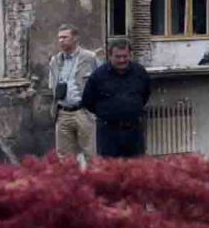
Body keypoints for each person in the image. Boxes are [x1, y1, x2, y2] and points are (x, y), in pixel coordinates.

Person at [82, 36, 152, 158]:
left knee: (136, 170)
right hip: (108, 133)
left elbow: (145, 94)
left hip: (134, 132)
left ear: (130, 55)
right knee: (109, 170)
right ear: (109, 56)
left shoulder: (140, 72)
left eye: (125, 56)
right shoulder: (98, 76)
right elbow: (88, 101)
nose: (122, 60)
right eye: (118, 57)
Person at [48, 26, 99, 162]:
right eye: (59, 37)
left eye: (65, 37)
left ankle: (93, 181)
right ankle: (70, 182)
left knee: (90, 153)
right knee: (65, 157)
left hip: (83, 111)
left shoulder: (89, 58)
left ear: (75, 38)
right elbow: (52, 86)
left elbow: (99, 83)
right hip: (63, 111)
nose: (61, 41)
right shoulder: (55, 60)